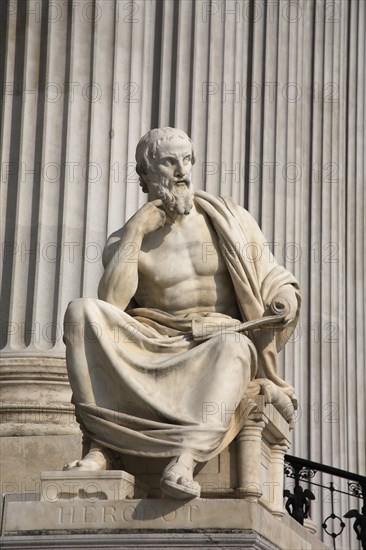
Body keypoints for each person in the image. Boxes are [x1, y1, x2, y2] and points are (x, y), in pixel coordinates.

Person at [63, 127, 300, 499]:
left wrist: (286, 298)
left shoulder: (228, 219)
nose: (182, 172)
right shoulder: (125, 239)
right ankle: (102, 442)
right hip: (154, 340)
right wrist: (137, 231)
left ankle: (186, 459)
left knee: (235, 348)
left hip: (218, 339)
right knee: (81, 313)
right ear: (145, 175)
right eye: (170, 162)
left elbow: (273, 276)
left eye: (187, 160)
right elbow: (112, 302)